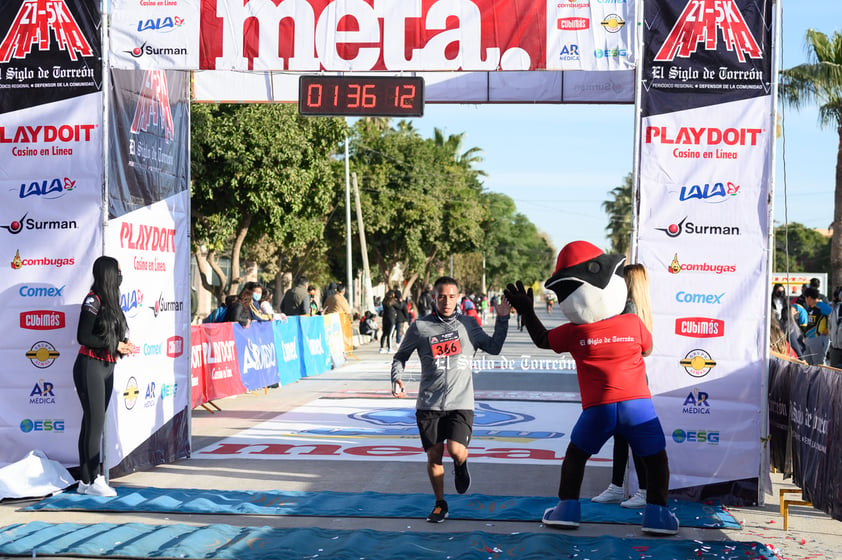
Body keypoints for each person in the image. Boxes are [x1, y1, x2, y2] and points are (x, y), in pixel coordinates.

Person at [505, 241, 677, 535]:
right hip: (637, 405)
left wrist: (526, 311)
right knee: (655, 457)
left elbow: (542, 339)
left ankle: (567, 510)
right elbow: (648, 348)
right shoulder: (633, 323)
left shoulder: (575, 331)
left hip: (598, 408)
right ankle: (657, 514)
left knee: (576, 456)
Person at [391, 276, 511, 523]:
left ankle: (460, 465)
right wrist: (396, 377)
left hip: (461, 401)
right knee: (434, 455)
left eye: (451, 296)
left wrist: (502, 319)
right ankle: (440, 503)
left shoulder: (469, 324)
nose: (446, 301)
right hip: (428, 403)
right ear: (434, 298)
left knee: (456, 451)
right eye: (441, 296)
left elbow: (494, 347)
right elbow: (400, 356)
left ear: (459, 298)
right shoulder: (420, 327)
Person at [73, 256, 136, 496]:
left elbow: (111, 336)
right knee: (94, 423)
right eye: (118, 271)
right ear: (109, 274)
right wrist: (114, 344)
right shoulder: (93, 300)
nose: (121, 275)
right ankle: (92, 480)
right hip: (89, 365)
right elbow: (84, 336)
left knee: (91, 422)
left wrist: (124, 344)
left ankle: (85, 481)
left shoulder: (112, 303)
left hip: (107, 367)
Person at [591, 263, 650, 509]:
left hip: (628, 380)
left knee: (633, 437)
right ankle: (617, 487)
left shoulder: (629, 310)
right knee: (621, 436)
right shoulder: (640, 309)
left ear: (628, 283)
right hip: (629, 378)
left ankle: (644, 491)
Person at [801, 286, 832, 365]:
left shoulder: (821, 306)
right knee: (807, 364)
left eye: (805, 298)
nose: (805, 300)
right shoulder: (810, 308)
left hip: (818, 338)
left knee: (818, 364)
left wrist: (828, 328)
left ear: (809, 298)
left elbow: (832, 315)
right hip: (809, 339)